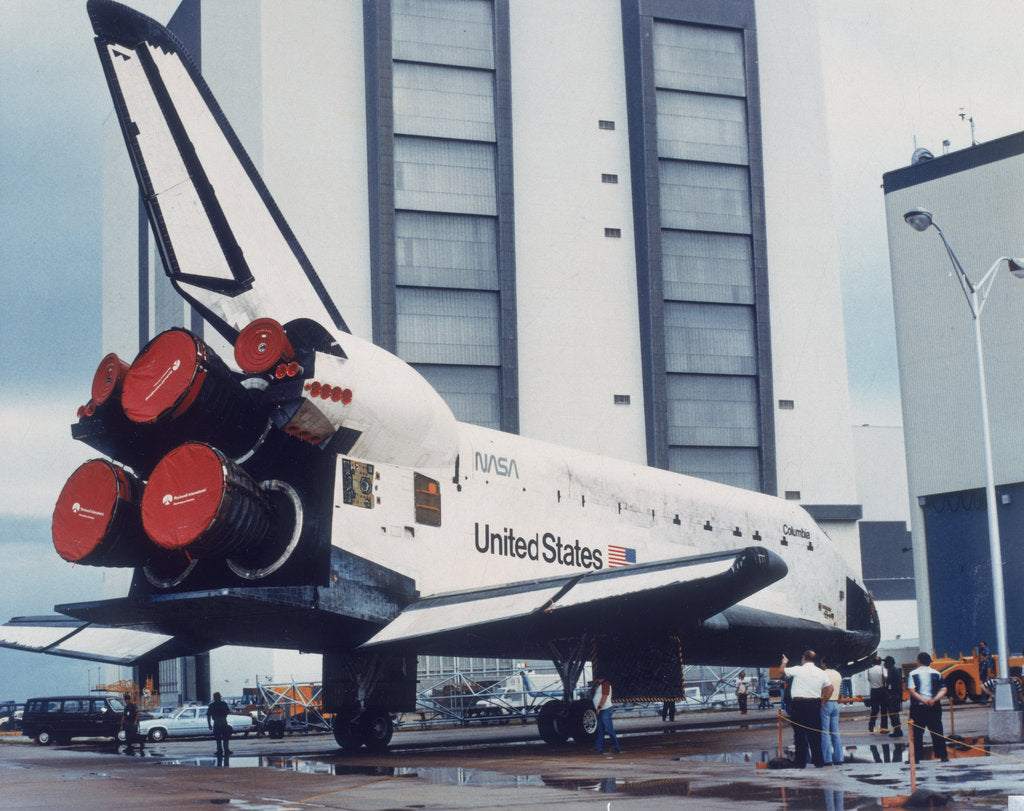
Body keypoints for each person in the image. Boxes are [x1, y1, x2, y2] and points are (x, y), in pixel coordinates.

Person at [780, 650, 832, 768]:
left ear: (803, 658)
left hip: (799, 704)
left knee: (799, 734)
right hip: (815, 704)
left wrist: (784, 662)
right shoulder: (821, 672)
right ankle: (818, 761)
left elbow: (781, 670)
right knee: (815, 733)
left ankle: (801, 762)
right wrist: (823, 702)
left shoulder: (798, 669)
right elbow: (830, 688)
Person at [906, 652, 948, 763]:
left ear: (918, 661)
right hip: (934, 707)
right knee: (937, 731)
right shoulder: (937, 673)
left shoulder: (912, 674)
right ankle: (943, 756)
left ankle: (916, 758)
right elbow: (943, 689)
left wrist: (924, 701)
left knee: (917, 733)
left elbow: (912, 691)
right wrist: (934, 700)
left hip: (918, 708)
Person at [820, 658, 843, 765]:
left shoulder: (823, 673)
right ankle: (839, 758)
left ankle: (827, 758)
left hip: (826, 702)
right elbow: (840, 691)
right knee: (835, 732)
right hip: (835, 704)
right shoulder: (838, 674)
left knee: (824, 732)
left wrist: (822, 702)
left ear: (824, 664)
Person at [591, 678, 620, 754]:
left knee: (609, 728)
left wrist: (599, 707)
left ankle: (616, 747)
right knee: (600, 730)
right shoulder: (601, 685)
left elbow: (604, 696)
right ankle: (598, 747)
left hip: (605, 709)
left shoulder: (606, 684)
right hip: (601, 709)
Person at [883, 656, 904, 737]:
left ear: (890, 663)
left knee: (894, 714)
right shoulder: (891, 670)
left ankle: (898, 731)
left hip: (894, 697)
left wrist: (896, 696)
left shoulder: (894, 671)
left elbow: (898, 685)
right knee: (893, 714)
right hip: (893, 696)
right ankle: (897, 730)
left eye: (885, 662)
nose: (884, 664)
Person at [866, 655, 887, 733]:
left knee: (874, 710)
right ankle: (883, 728)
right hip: (882, 690)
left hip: (873, 691)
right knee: (884, 710)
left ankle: (871, 726)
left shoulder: (869, 670)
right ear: (880, 662)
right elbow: (886, 678)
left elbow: (869, 679)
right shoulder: (883, 669)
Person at [207, 692, 233, 756]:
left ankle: (220, 751)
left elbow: (208, 715)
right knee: (225, 738)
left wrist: (209, 724)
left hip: (217, 723)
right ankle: (226, 750)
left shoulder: (212, 705)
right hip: (223, 722)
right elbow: (228, 711)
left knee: (218, 739)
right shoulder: (223, 704)